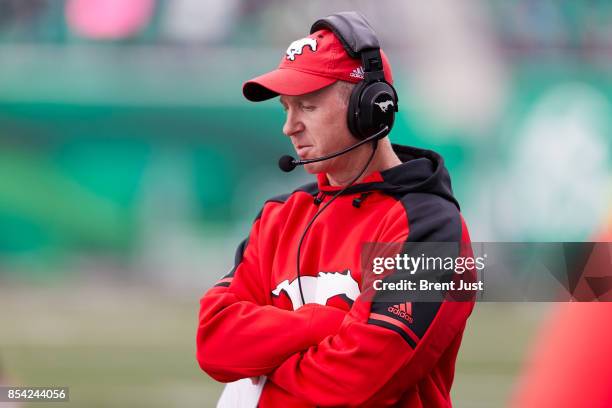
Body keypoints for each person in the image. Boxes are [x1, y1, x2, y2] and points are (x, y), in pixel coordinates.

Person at [197, 12, 474, 407]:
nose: (289, 127)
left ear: (369, 108)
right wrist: (324, 323)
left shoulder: (435, 228)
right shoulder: (279, 216)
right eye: (285, 109)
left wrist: (262, 383)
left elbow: (360, 378)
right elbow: (213, 341)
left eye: (307, 106)